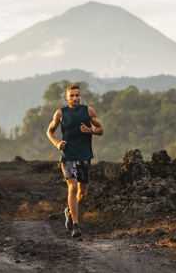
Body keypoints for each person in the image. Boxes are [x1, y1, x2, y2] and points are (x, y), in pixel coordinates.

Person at [47, 83, 104, 238]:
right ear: (67, 97)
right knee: (72, 187)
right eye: (71, 95)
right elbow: (50, 131)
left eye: (77, 95)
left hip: (85, 155)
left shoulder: (88, 111)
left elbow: (101, 130)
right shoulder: (60, 113)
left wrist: (90, 130)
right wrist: (57, 143)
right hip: (68, 156)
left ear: (80, 96)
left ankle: (69, 212)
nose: (74, 98)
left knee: (83, 193)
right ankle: (76, 226)